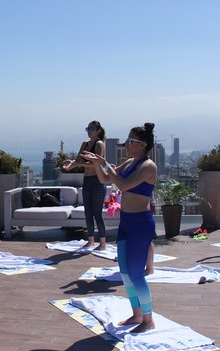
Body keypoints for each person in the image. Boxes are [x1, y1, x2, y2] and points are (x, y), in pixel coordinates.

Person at [82, 123, 158, 333]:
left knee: (136, 273)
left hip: (141, 223)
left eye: (131, 140)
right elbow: (106, 179)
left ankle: (148, 319)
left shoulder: (148, 166)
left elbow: (122, 186)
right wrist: (99, 164)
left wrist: (106, 164)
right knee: (125, 272)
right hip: (126, 222)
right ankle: (137, 314)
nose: (127, 143)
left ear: (142, 145)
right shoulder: (129, 163)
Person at [61, 121, 108, 251]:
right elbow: (78, 161)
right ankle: (90, 240)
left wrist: (78, 165)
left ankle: (102, 242)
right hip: (87, 180)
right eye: (87, 128)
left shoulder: (99, 144)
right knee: (88, 212)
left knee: (97, 213)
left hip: (98, 181)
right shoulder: (85, 144)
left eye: (91, 128)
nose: (89, 131)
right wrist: (69, 167)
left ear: (98, 130)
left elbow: (97, 163)